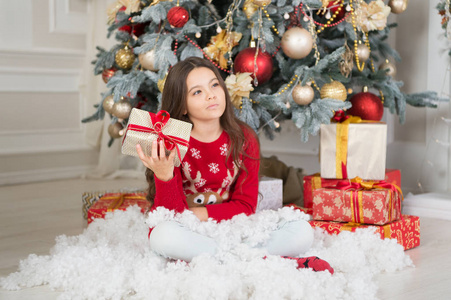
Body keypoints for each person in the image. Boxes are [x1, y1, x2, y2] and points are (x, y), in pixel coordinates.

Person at [136, 57, 333, 274]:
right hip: (190, 231)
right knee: (161, 237)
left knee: (301, 230)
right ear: (182, 105)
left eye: (214, 85)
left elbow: (246, 206)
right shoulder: (171, 142)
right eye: (197, 92)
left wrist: (198, 212)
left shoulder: (244, 138)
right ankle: (257, 258)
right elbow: (169, 215)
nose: (211, 94)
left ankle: (226, 257)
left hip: (234, 225)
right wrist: (164, 176)